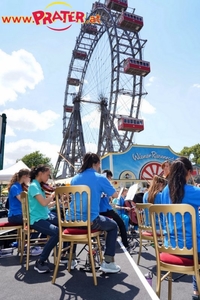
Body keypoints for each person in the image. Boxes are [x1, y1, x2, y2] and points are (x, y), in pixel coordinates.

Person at [70, 153, 121, 273]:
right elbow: (114, 195)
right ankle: (108, 262)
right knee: (113, 226)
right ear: (97, 164)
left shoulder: (74, 178)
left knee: (76, 217)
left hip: (71, 220)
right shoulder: (100, 177)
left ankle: (70, 259)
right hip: (90, 221)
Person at [161, 157, 200, 300]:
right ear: (188, 172)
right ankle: (197, 291)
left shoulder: (165, 191)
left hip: (169, 245)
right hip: (191, 250)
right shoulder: (192, 191)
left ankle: (197, 291)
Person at [28, 164, 58, 273]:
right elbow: (44, 202)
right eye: (47, 175)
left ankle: (64, 254)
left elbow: (45, 205)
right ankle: (40, 261)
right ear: (40, 174)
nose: (48, 178)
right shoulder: (33, 186)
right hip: (36, 219)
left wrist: (57, 201)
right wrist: (53, 195)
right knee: (57, 232)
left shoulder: (37, 186)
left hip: (44, 216)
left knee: (65, 223)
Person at [7, 168, 42, 256]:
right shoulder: (15, 187)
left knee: (38, 219)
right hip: (15, 215)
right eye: (29, 177)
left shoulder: (18, 186)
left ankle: (27, 244)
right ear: (24, 177)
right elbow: (24, 201)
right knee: (38, 220)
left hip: (19, 214)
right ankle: (29, 246)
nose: (30, 179)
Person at [99, 170, 133, 250]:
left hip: (98, 210)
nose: (110, 180)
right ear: (107, 177)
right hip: (106, 210)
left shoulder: (97, 184)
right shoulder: (105, 184)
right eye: (110, 178)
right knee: (120, 223)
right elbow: (115, 195)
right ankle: (125, 244)